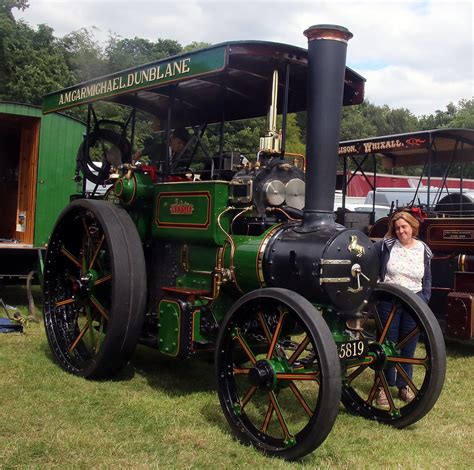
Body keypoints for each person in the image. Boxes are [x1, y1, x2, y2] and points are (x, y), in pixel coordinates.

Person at [375, 210, 432, 408]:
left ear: (412, 227)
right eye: (397, 228)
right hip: (389, 300)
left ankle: (404, 385)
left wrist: (424, 298)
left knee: (408, 346)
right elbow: (371, 261)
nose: (400, 231)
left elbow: (427, 278)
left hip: (414, 302)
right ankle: (383, 386)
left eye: (404, 227)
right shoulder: (387, 245)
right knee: (386, 344)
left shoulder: (423, 249)